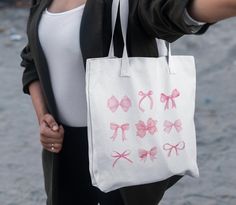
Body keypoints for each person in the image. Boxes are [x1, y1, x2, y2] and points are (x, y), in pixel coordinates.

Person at [19, 0, 236, 205]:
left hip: (122, 149)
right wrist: (43, 117)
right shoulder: (42, 2)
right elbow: (31, 62)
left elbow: (172, 12)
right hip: (64, 152)